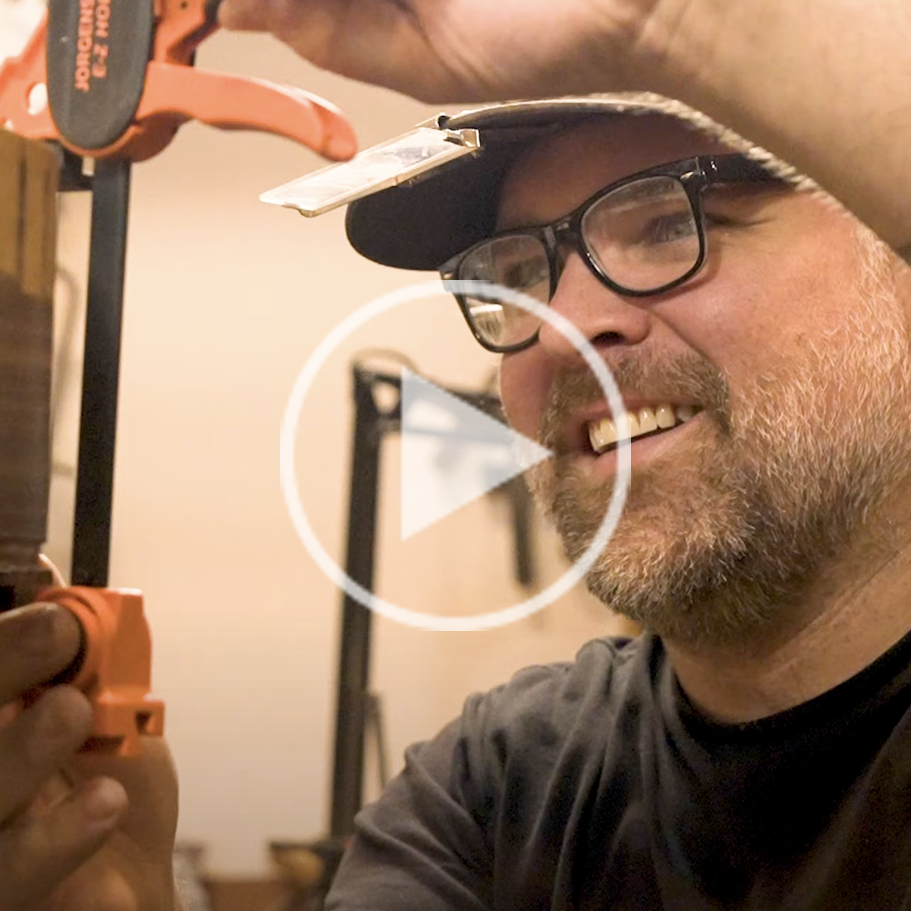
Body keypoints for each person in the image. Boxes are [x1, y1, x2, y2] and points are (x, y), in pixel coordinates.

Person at [0, 2, 908, 908]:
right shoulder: (493, 789)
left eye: (670, 224)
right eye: (518, 273)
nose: (561, 329)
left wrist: (664, 21)